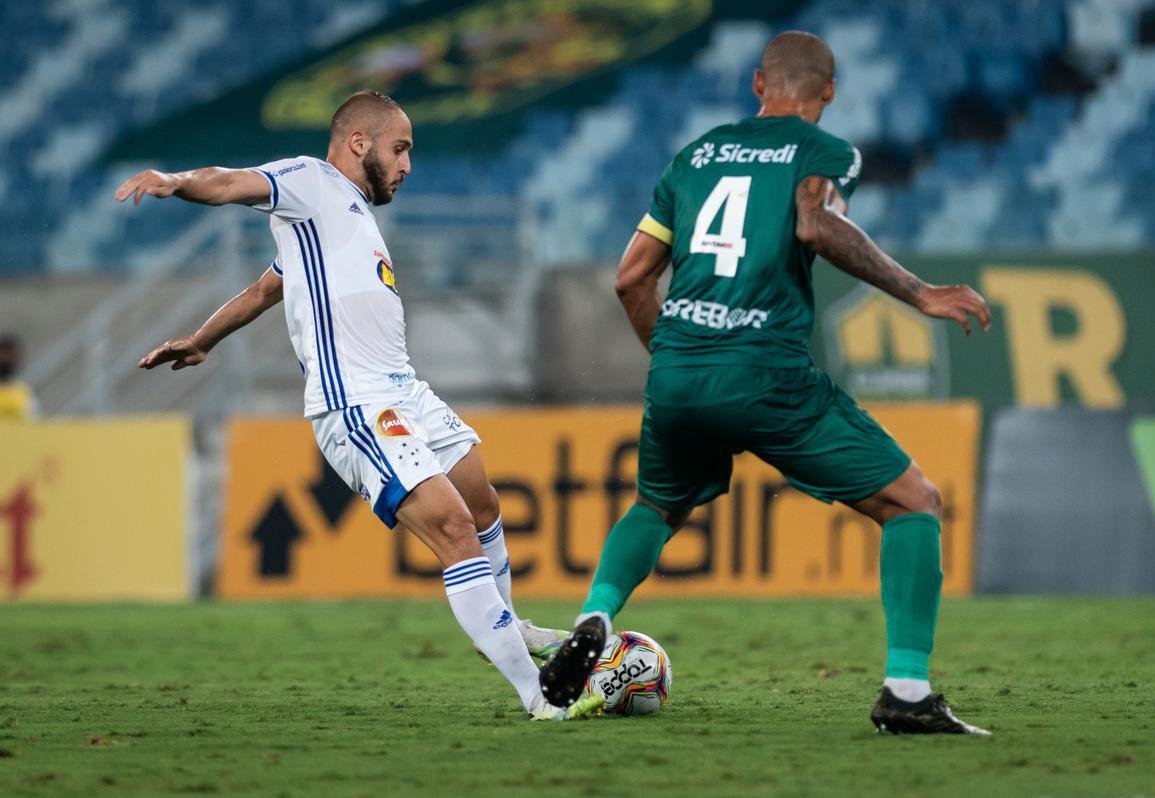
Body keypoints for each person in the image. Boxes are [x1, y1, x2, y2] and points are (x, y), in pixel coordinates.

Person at [538, 32, 992, 735]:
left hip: (679, 371)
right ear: (829, 91)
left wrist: (678, 358)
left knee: (657, 507)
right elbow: (815, 225)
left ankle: (595, 614)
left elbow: (630, 278)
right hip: (766, 373)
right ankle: (906, 691)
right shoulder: (824, 151)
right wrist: (920, 293)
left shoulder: (695, 156)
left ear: (757, 84)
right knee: (915, 503)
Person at [116, 90, 599, 721]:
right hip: (356, 403)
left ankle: (503, 625)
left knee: (481, 500)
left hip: (405, 389)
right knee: (454, 528)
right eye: (400, 149)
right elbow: (230, 182)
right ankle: (540, 695)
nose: (407, 165)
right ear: (358, 143)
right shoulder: (309, 181)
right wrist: (175, 181)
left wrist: (203, 339)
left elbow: (265, 289)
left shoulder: (342, 217)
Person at [0, 334, 40, 422]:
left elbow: (33, 421)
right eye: (3, 354)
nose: (5, 359)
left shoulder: (23, 392)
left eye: (9, 355)